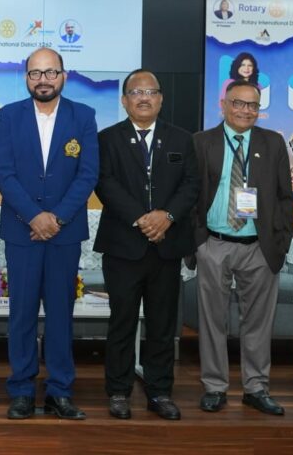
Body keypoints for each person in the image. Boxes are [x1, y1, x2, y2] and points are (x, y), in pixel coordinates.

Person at [0, 47, 99, 420]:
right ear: (26, 78)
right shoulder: (9, 116)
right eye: (35, 73)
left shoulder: (83, 116)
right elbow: (4, 173)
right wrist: (34, 217)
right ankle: (22, 390)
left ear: (63, 76)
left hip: (63, 234)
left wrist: (56, 218)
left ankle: (59, 391)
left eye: (50, 72)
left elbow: (88, 174)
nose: (43, 80)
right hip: (22, 232)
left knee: (60, 314)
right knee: (21, 313)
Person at [94, 69, 199, 421]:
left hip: (166, 246)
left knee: (162, 324)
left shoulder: (182, 139)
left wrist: (166, 216)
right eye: (136, 92)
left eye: (150, 92)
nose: (143, 98)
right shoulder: (107, 139)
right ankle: (118, 391)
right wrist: (142, 219)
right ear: (124, 100)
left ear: (161, 99)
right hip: (123, 246)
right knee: (122, 322)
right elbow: (104, 183)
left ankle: (159, 391)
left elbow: (191, 185)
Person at [191, 80, 293, 416]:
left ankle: (256, 388)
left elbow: (285, 197)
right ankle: (214, 387)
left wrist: (280, 243)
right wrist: (197, 242)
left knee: (258, 322)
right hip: (214, 243)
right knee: (212, 321)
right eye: (238, 103)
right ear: (223, 105)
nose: (245, 111)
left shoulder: (273, 142)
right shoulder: (201, 142)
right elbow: (190, 194)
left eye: (252, 105)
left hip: (259, 247)